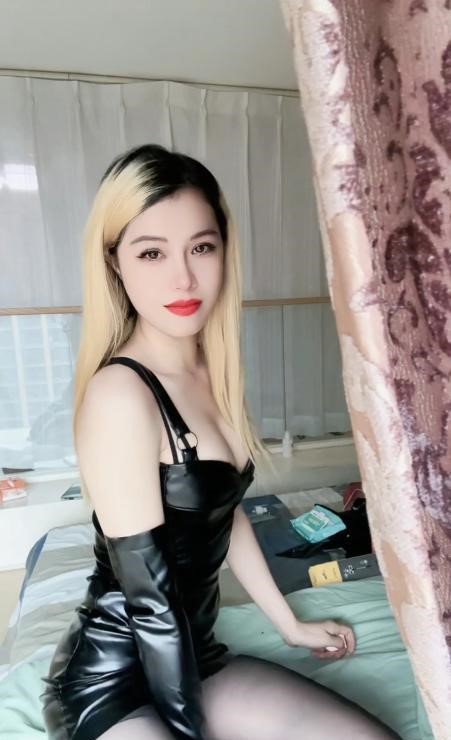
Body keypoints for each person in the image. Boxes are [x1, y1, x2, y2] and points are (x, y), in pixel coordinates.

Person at [41, 144, 398, 740]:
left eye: (201, 248)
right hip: (112, 680)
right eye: (151, 252)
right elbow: (150, 601)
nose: (183, 277)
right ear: (115, 264)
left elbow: (222, 513)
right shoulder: (120, 395)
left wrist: (288, 625)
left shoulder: (213, 373)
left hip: (194, 655)